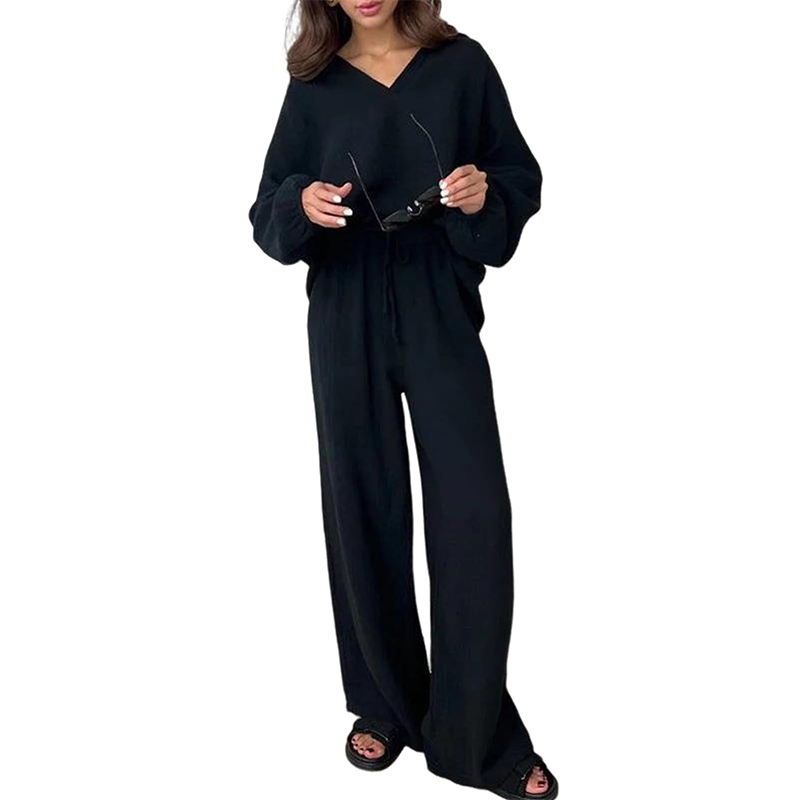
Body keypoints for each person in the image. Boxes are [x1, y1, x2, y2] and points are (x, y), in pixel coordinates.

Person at [248, 1, 556, 797]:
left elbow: (518, 176)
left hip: (436, 299)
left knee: (473, 511)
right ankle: (383, 704)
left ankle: (477, 733)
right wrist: (300, 204)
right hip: (343, 303)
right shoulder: (314, 82)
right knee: (362, 502)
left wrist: (483, 193)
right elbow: (266, 210)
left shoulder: (462, 64)